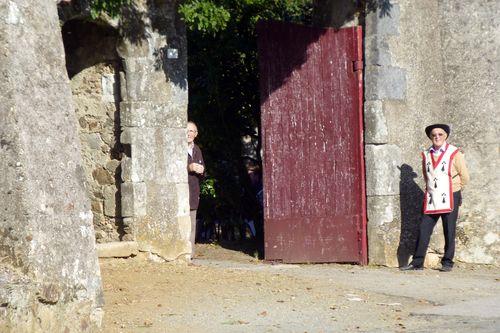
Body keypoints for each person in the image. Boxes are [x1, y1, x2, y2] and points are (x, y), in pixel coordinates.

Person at [400, 124, 469, 272]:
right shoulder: (426, 154)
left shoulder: (454, 153)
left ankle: (447, 262)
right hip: (432, 197)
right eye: (434, 135)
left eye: (440, 134)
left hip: (451, 194)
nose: (437, 137)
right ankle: (417, 262)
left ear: (446, 136)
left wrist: (457, 190)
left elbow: (465, 176)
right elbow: (427, 175)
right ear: (431, 137)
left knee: (449, 229)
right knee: (423, 228)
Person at [187, 121, 205, 256]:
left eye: (191, 131)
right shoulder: (176, 148)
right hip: (180, 193)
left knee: (192, 225)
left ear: (196, 134)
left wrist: (202, 170)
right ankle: (182, 253)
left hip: (193, 192)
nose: (188, 133)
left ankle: (190, 254)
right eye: (186, 130)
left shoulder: (197, 149)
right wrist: (189, 167)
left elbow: (203, 171)